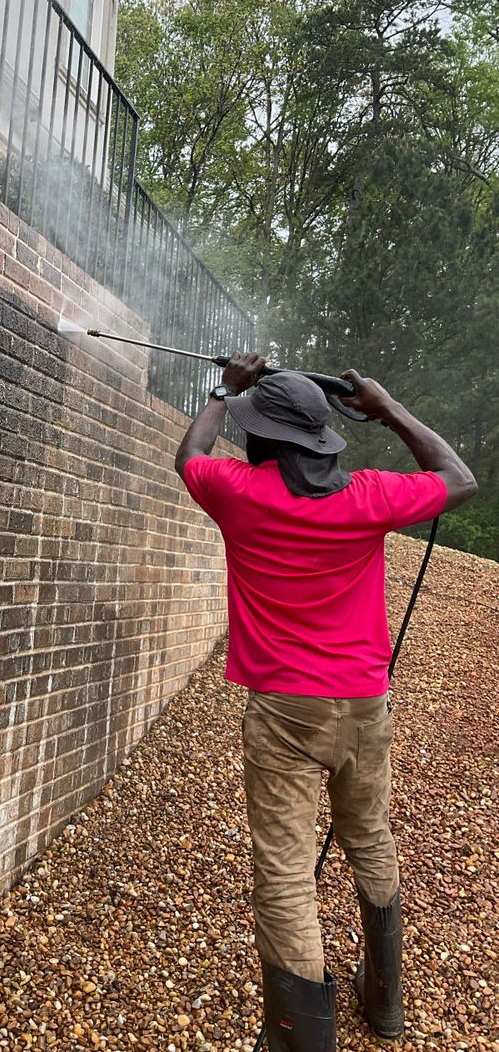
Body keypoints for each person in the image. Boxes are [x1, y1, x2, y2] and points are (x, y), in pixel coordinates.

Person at [174, 352, 477, 1052]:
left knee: (283, 872)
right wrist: (389, 407)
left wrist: (225, 390)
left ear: (264, 438)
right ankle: (385, 1004)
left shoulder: (236, 492)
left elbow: (189, 452)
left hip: (283, 711)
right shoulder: (367, 496)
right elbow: (458, 479)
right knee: (369, 836)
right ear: (321, 439)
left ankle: (300, 1040)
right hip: (364, 704)